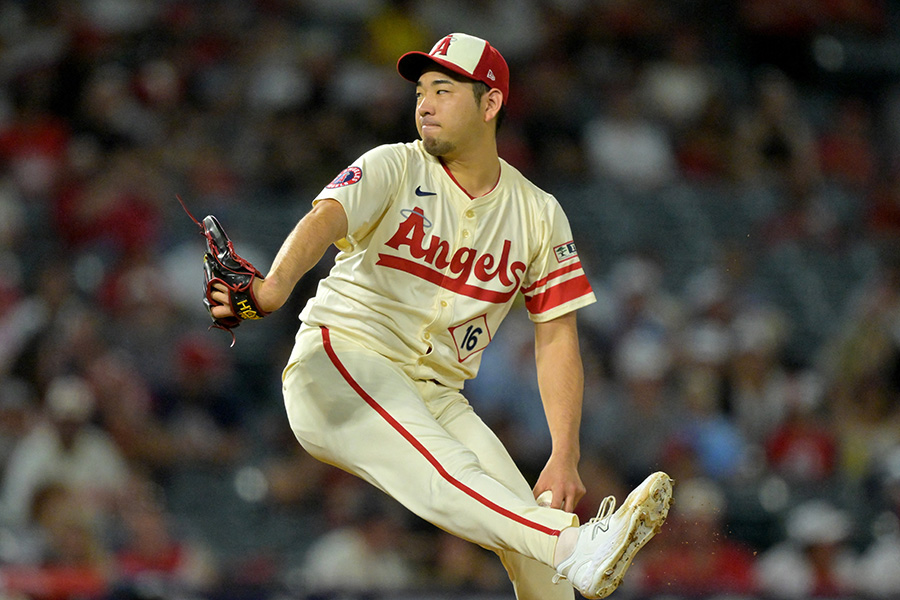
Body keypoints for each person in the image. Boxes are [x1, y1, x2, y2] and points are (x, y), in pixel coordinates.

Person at [209, 32, 672, 600]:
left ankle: (567, 555)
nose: (424, 103)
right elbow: (327, 217)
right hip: (343, 360)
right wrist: (274, 287)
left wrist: (564, 453)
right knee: (461, 477)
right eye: (422, 90)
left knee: (530, 546)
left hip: (438, 392)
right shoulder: (394, 165)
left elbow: (556, 336)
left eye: (443, 89)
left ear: (490, 103)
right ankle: (576, 546)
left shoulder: (538, 212)